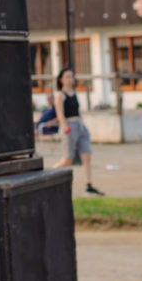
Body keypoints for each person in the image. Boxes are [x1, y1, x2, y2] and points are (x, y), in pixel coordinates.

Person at [50, 67, 104, 195]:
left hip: (79, 125)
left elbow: (78, 112)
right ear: (61, 80)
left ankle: (89, 186)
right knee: (67, 160)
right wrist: (65, 128)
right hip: (69, 127)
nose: (70, 79)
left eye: (71, 76)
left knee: (86, 155)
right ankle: (48, 174)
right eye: (67, 76)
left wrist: (83, 125)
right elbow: (60, 114)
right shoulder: (60, 95)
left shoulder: (74, 93)